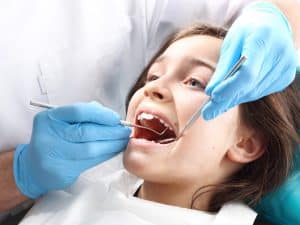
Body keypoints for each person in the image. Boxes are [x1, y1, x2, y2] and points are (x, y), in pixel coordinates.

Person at [0, 0, 299, 223]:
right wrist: (22, 172)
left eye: (195, 81)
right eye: (152, 77)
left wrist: (274, 16)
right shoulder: (68, 199)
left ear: (246, 143)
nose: (151, 89)